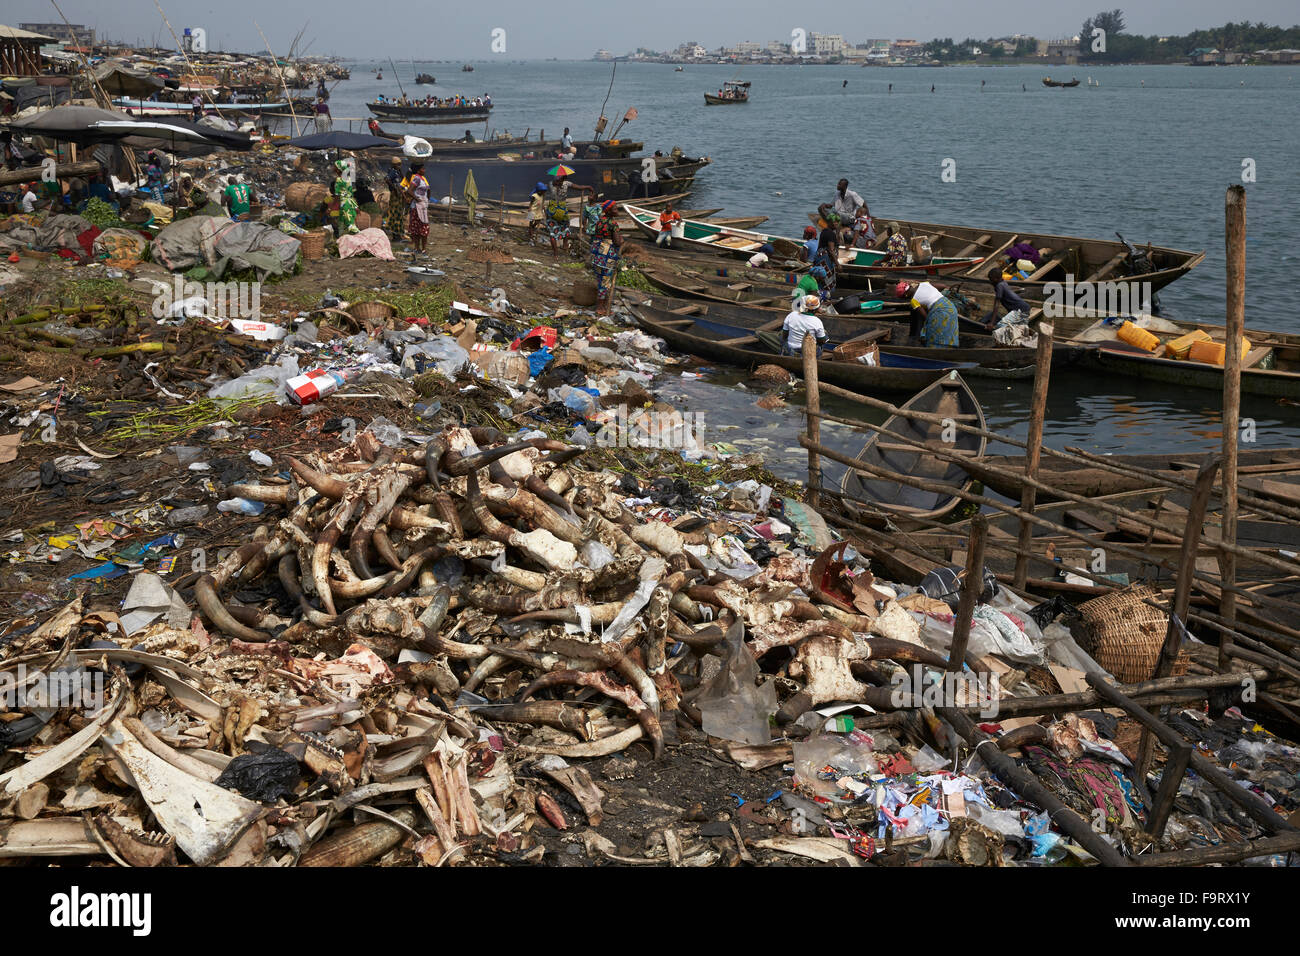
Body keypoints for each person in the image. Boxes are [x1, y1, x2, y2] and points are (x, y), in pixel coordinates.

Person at [899, 280, 960, 348]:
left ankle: (937, 351)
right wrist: (932, 294)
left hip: (939, 312)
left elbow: (925, 316)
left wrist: (920, 333)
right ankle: (949, 349)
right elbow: (943, 286)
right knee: (949, 331)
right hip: (950, 306)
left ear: (906, 295)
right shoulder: (924, 284)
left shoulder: (913, 300)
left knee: (932, 336)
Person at [588, 200, 623, 316]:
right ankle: (600, 307)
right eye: (615, 209)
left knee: (600, 280)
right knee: (605, 282)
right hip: (606, 256)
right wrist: (622, 240)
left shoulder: (599, 221)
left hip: (596, 253)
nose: (617, 210)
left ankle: (602, 306)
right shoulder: (613, 224)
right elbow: (617, 242)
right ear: (609, 211)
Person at [817, 179, 865, 244]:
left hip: (849, 217)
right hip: (838, 214)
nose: (837, 185)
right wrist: (824, 205)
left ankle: (837, 236)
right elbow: (831, 205)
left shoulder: (852, 194)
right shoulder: (837, 194)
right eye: (838, 184)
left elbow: (863, 204)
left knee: (837, 214)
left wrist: (867, 217)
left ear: (845, 186)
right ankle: (831, 225)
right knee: (820, 209)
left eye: (839, 184)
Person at [407, 162, 429, 254]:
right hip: (416, 207)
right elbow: (409, 191)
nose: (424, 170)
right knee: (417, 227)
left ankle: (423, 248)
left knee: (423, 226)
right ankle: (417, 248)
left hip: (423, 206)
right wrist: (417, 199)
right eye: (423, 169)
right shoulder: (416, 178)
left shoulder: (422, 178)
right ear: (418, 170)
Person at [332, 159, 358, 234]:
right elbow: (351, 193)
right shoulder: (349, 179)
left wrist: (332, 207)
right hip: (350, 204)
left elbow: (337, 195)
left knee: (347, 225)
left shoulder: (339, 180)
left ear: (338, 169)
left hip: (344, 204)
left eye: (335, 166)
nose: (333, 168)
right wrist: (355, 206)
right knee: (346, 223)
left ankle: (358, 239)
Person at [386, 157, 407, 241]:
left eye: (400, 164)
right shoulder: (392, 171)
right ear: (394, 165)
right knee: (395, 215)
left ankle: (398, 235)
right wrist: (394, 188)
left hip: (399, 196)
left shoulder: (397, 172)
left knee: (398, 215)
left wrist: (400, 171)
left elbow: (403, 180)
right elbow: (386, 179)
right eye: (398, 164)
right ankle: (395, 236)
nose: (400, 166)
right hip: (395, 196)